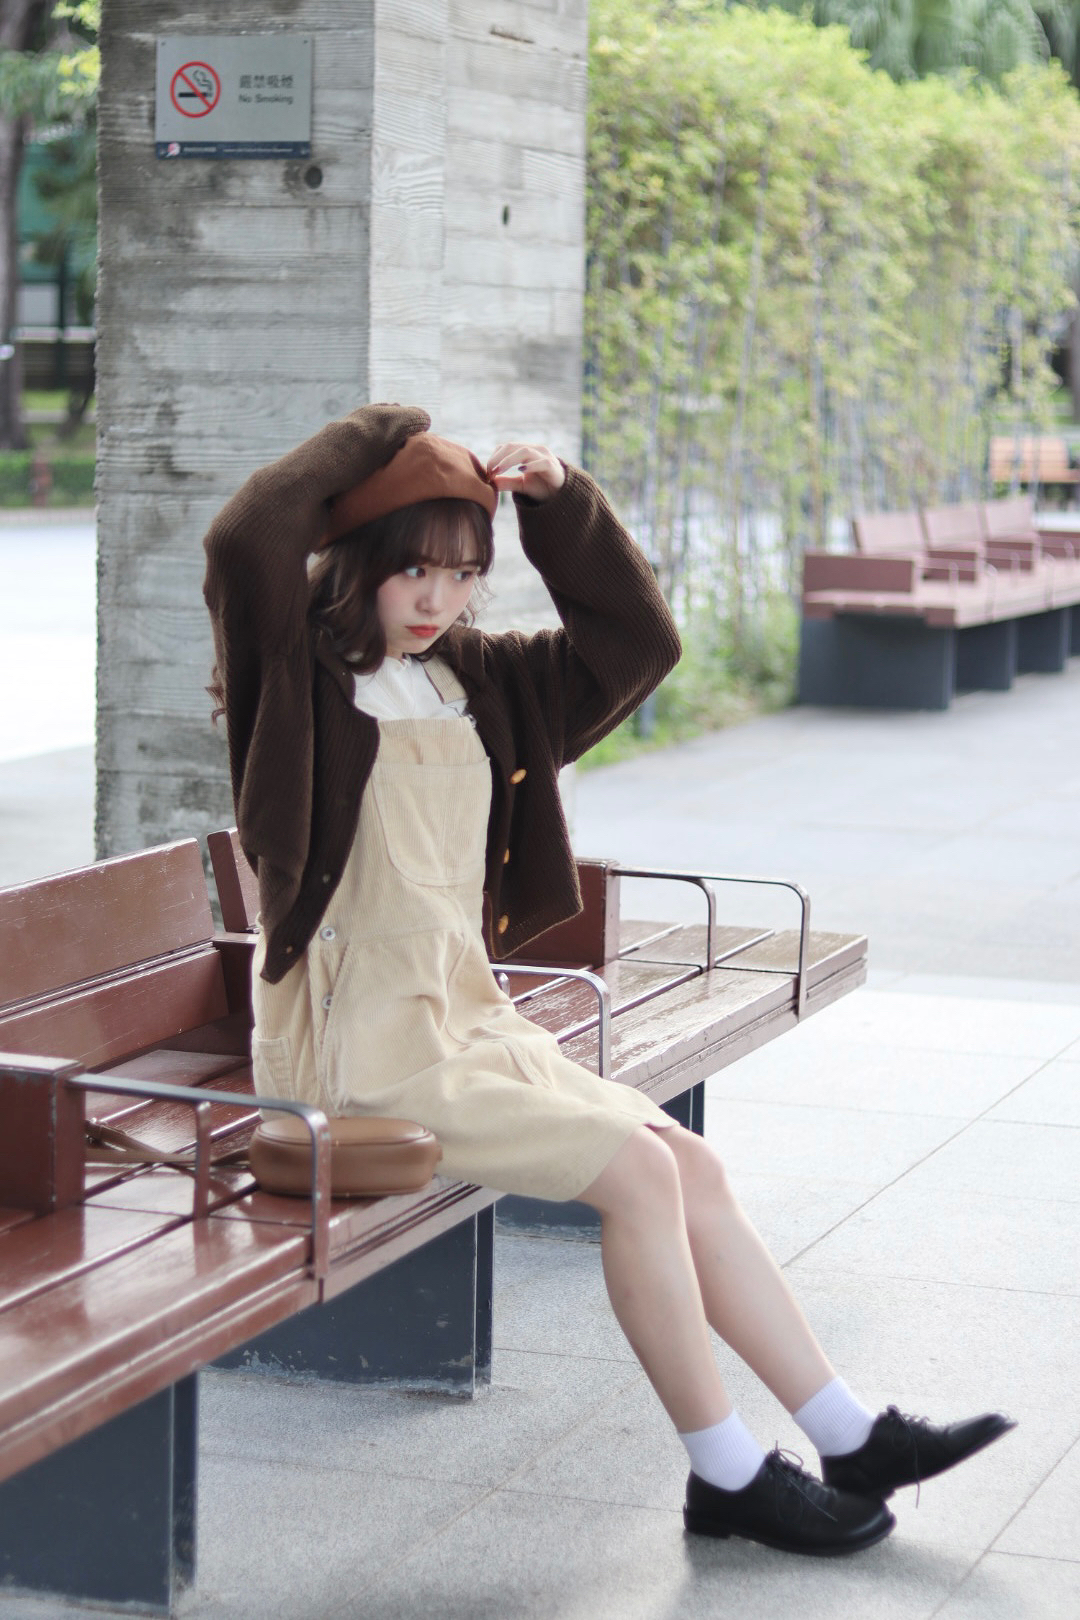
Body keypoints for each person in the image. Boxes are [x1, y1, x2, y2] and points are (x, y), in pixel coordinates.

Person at [203, 403, 1014, 1558]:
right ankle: (727, 1473)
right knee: (638, 1173)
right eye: (415, 570)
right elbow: (243, 537)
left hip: (465, 1018)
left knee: (689, 1164)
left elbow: (639, 643)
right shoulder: (295, 674)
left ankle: (853, 1436)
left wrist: (562, 503)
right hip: (354, 1046)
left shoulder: (479, 681)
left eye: (464, 574)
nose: (438, 600)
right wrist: (382, 430)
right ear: (359, 557)